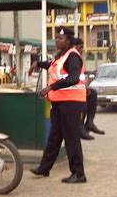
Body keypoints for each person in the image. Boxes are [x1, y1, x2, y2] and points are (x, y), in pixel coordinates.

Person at [28, 27, 87, 184]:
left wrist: (51, 87)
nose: (57, 41)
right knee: (54, 137)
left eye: (60, 38)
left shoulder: (73, 56)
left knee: (71, 139)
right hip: (59, 103)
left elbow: (74, 78)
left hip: (71, 104)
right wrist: (38, 63)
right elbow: (53, 67)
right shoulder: (61, 56)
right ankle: (44, 168)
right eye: (56, 38)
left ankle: (78, 174)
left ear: (68, 40)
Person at [71, 38, 105, 140]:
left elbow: (80, 76)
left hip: (78, 87)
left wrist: (85, 86)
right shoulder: (72, 58)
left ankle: (89, 122)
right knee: (82, 102)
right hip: (69, 90)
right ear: (75, 47)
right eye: (80, 47)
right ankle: (80, 126)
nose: (82, 50)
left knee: (92, 94)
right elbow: (71, 77)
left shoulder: (78, 58)